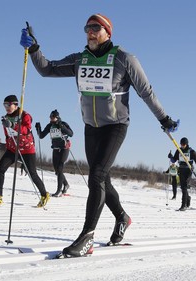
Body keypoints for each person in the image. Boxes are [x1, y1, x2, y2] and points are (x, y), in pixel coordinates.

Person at [20, 14, 178, 258]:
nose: (90, 32)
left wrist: (163, 118)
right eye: (87, 28)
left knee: (97, 176)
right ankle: (122, 217)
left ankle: (86, 238)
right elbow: (47, 69)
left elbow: (146, 91)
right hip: (91, 127)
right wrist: (34, 48)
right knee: (101, 179)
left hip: (115, 126)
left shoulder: (124, 59)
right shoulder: (80, 60)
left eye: (96, 28)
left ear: (108, 32)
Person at [0, 95, 50, 206]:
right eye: (5, 105)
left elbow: (26, 130)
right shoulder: (5, 117)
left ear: (16, 105)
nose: (7, 107)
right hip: (12, 149)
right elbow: (7, 134)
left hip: (27, 149)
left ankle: (44, 195)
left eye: (9, 105)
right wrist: (8, 142)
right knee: (0, 169)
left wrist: (14, 125)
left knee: (32, 174)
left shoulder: (25, 115)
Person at [35, 109, 73, 197]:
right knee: (57, 171)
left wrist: (61, 127)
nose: (51, 119)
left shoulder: (63, 124)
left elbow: (71, 134)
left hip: (64, 149)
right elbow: (41, 136)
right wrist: (38, 128)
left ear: (57, 117)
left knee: (60, 169)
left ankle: (59, 191)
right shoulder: (50, 126)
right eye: (50, 117)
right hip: (55, 149)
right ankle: (66, 184)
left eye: (53, 117)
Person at [169, 137, 196, 211]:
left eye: (184, 144)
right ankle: (188, 198)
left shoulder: (192, 152)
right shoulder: (179, 150)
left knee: (184, 187)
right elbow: (174, 160)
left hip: (189, 170)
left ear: (187, 144)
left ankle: (183, 205)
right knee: (183, 187)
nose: (182, 145)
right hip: (181, 170)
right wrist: (170, 157)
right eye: (181, 144)